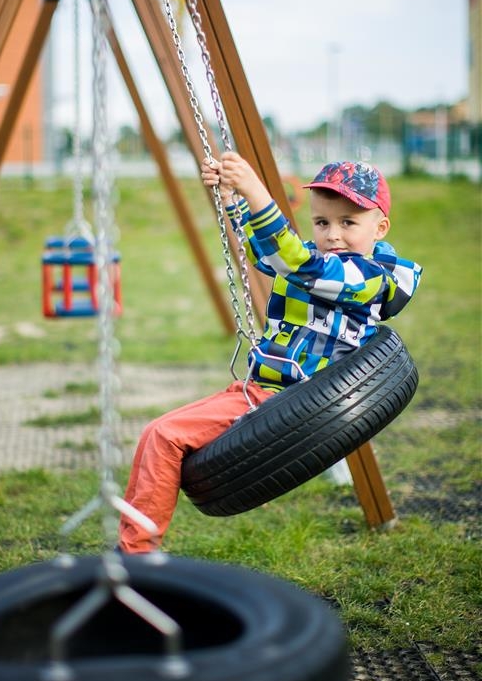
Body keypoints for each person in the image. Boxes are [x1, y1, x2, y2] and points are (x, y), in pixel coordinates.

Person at [118, 153, 422, 553]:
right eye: (322, 222)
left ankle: (135, 554)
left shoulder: (367, 278)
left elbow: (296, 262)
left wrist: (255, 189)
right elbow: (265, 252)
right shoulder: (318, 261)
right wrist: (232, 199)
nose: (333, 235)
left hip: (286, 398)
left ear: (379, 228)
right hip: (266, 391)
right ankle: (137, 549)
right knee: (162, 437)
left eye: (348, 223)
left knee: (163, 436)